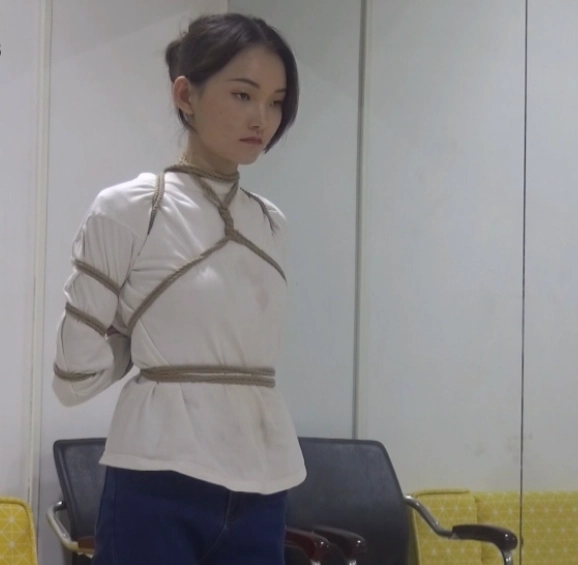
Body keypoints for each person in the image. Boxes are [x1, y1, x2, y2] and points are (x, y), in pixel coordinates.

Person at [52, 12, 306, 565]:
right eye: (243, 94)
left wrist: (154, 334)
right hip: (156, 481)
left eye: (276, 101)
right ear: (186, 95)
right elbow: (72, 377)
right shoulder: (130, 208)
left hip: (264, 483)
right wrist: (147, 340)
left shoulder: (272, 223)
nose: (262, 118)